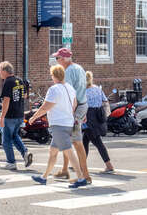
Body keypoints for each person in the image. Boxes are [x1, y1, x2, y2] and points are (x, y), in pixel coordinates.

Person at [28, 64, 88, 188]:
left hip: (59, 124)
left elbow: (46, 106)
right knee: (53, 151)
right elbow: (75, 104)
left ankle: (81, 178)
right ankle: (44, 177)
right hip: (68, 123)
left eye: (51, 75)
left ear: (54, 76)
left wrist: (33, 117)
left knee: (68, 151)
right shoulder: (70, 88)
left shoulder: (54, 89)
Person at [51, 48, 90, 183]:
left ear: (63, 59)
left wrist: (70, 113)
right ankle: (64, 170)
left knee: (77, 142)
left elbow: (70, 95)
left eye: (57, 59)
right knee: (67, 139)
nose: (57, 61)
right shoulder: (79, 68)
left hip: (75, 107)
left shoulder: (67, 72)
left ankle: (85, 175)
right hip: (82, 105)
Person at [0, 60, 33, 170]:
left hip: (10, 115)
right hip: (19, 114)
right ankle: (25, 153)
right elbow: (25, 96)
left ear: (4, 71)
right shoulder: (19, 81)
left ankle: (11, 162)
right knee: (14, 136)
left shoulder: (8, 82)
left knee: (6, 140)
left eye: (0, 70)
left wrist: (2, 117)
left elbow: (6, 100)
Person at [82, 71, 114, 173]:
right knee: (85, 141)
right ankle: (81, 164)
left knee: (98, 142)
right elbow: (105, 101)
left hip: (88, 119)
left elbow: (80, 105)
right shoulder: (97, 89)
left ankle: (109, 165)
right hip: (97, 117)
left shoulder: (83, 91)